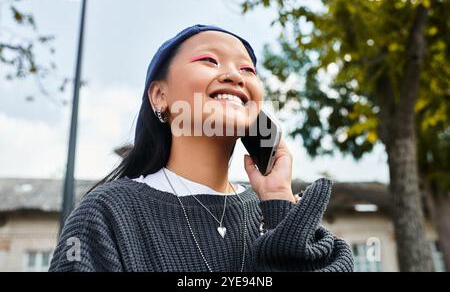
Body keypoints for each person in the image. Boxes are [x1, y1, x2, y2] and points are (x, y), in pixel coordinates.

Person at [49, 24, 354, 272]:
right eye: (210, 60)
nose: (236, 76)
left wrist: (279, 205)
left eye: (248, 70)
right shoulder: (106, 215)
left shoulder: (281, 215)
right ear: (159, 96)